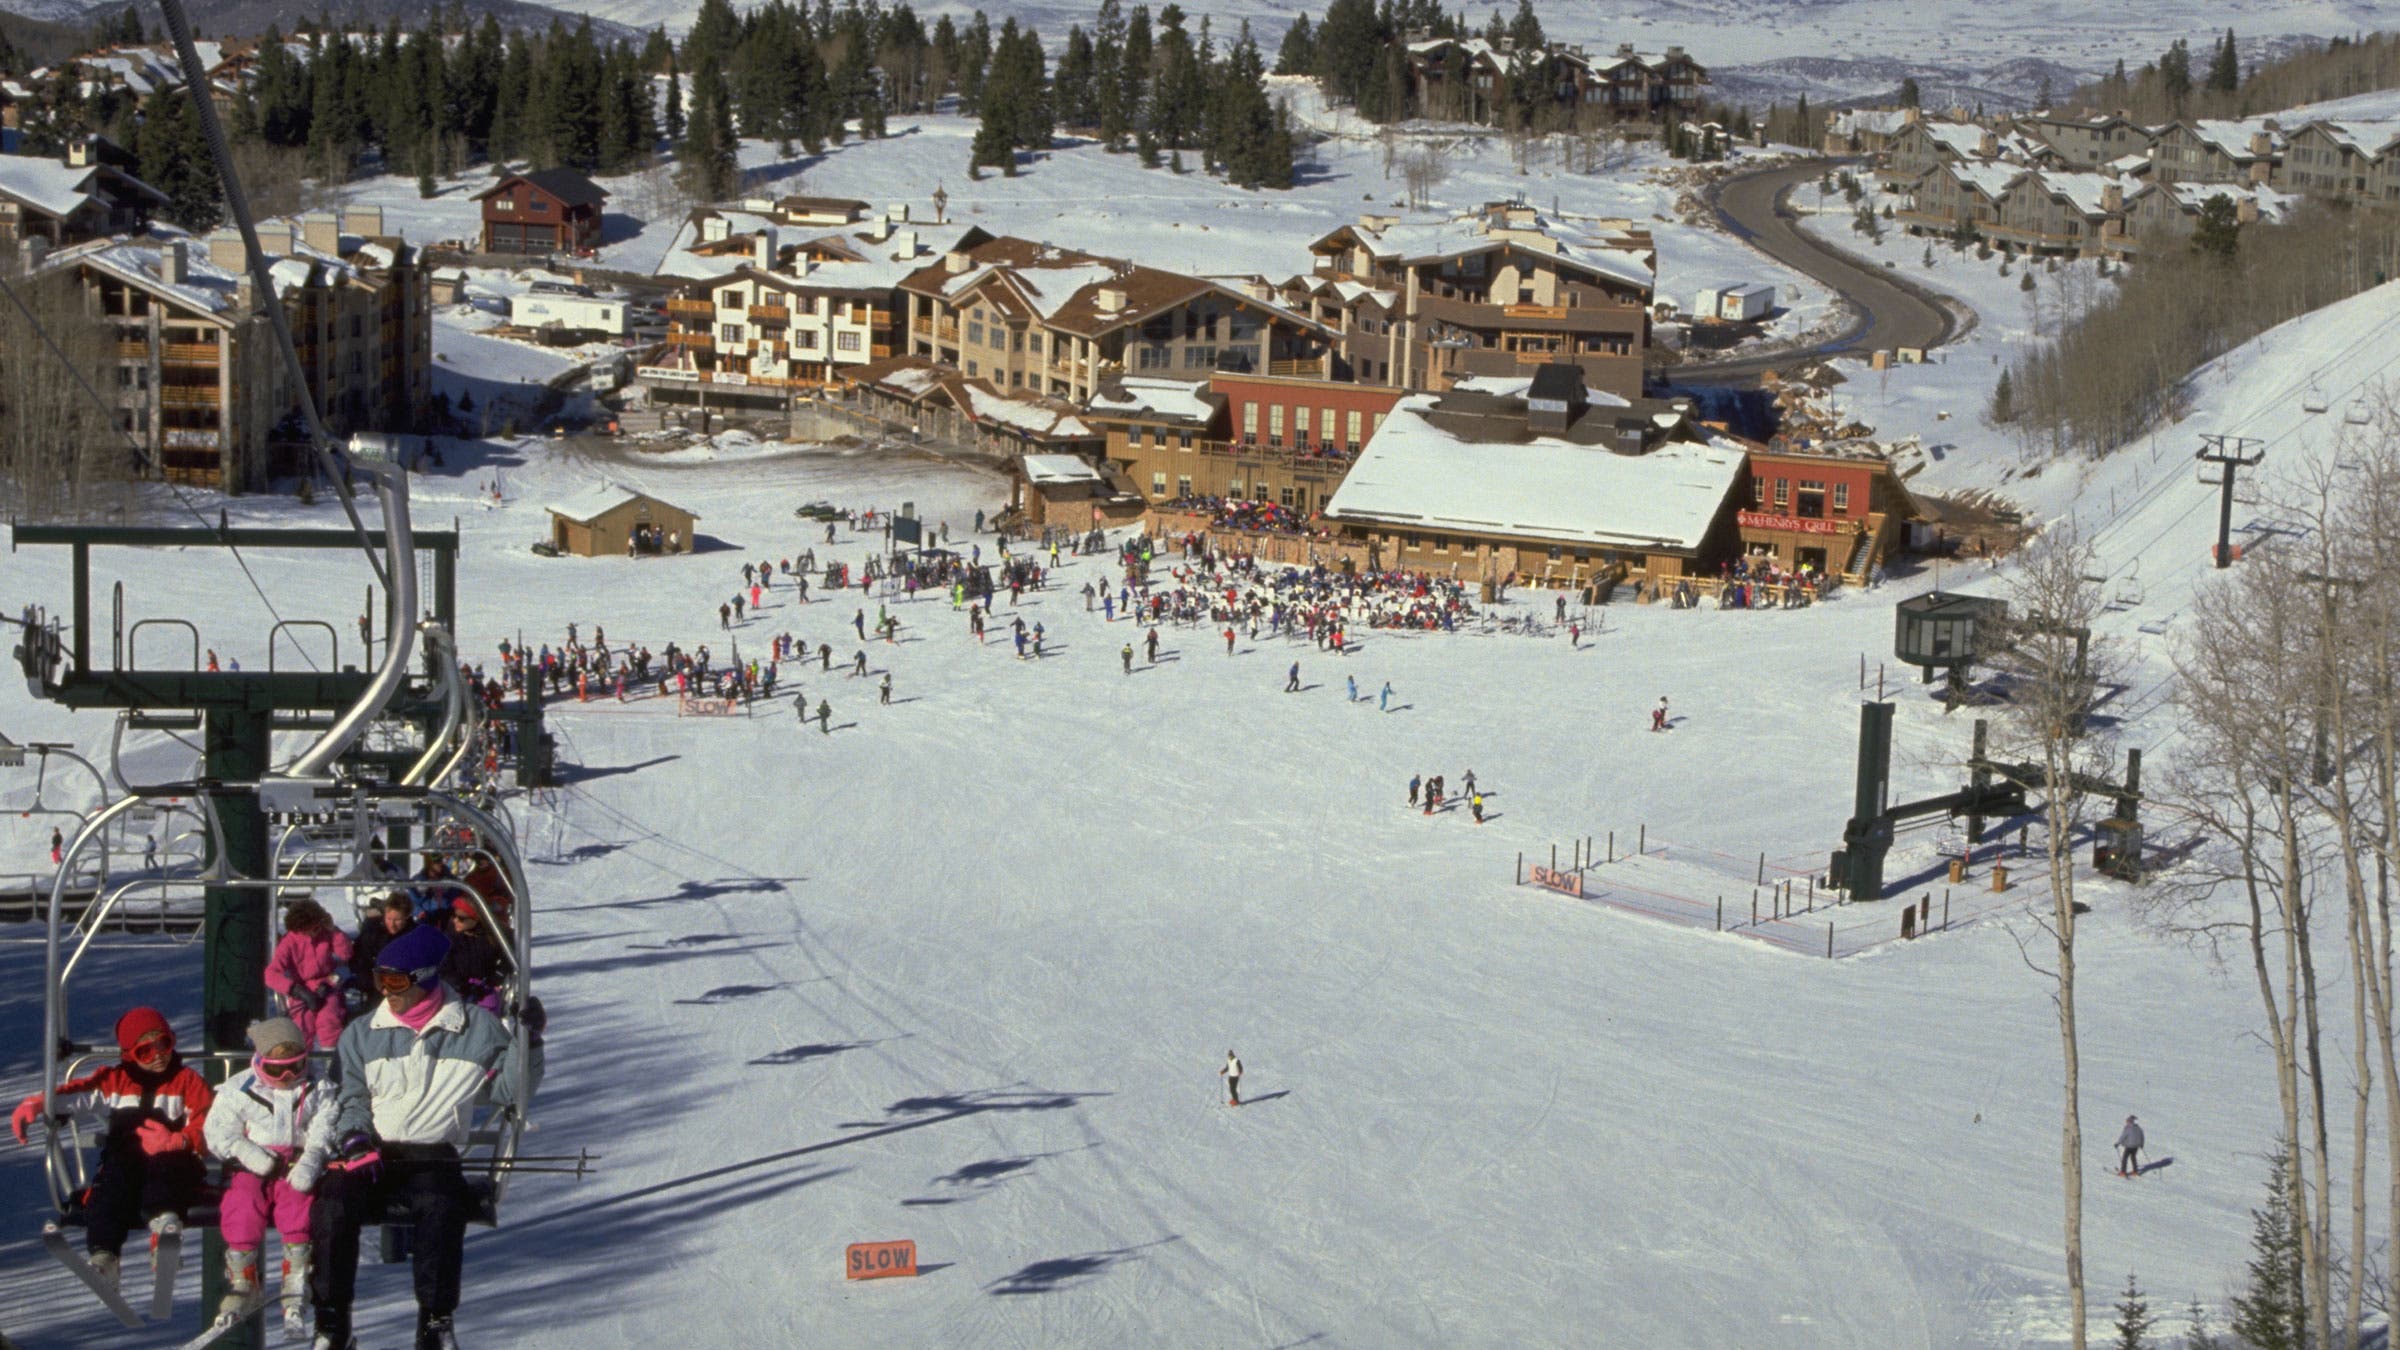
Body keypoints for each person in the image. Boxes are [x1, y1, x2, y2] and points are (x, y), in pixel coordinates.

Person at [308, 923, 543, 1350]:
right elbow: (350, 1095)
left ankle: (435, 1321)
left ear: (426, 978)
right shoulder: (362, 1033)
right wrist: (355, 1136)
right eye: (380, 980)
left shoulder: (475, 1028)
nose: (386, 991)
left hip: (433, 1154)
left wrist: (529, 1042)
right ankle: (331, 1322)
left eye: (396, 981)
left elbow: (511, 1091)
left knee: (440, 1206)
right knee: (332, 1203)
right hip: (371, 1152)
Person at [12, 1008, 213, 1291]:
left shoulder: (186, 1082)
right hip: (125, 1161)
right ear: (130, 1054)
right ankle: (104, 1255)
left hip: (173, 1159)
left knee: (166, 1174)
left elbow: (208, 1123)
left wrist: (180, 1140)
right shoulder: (115, 1081)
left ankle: (165, 1229)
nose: (158, 1056)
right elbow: (79, 1094)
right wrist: (38, 1103)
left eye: (164, 1044)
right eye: (145, 1051)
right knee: (107, 1193)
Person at [203, 1017, 330, 1336]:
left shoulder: (317, 1088)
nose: (287, 1078)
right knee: (242, 1202)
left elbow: (325, 1125)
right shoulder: (239, 1089)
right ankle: (243, 1278)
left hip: (295, 1162)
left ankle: (297, 1271)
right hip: (254, 1163)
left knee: (299, 1200)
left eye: (295, 1067)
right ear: (260, 1063)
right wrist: (248, 1153)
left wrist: (312, 1158)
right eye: (276, 1070)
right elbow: (218, 1131)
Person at [267, 900, 354, 1053]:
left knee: (329, 1019)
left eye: (318, 926)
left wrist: (334, 930)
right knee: (302, 1026)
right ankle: (302, 1061)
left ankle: (330, 1058)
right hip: (302, 990)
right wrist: (296, 990)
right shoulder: (289, 942)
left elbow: (346, 954)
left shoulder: (327, 934)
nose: (317, 931)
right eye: (313, 928)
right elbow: (271, 974)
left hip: (327, 985)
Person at [439, 898, 511, 1014]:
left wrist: (497, 975)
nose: (455, 920)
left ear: (476, 919)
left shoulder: (491, 937)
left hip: (483, 985)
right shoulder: (450, 937)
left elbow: (508, 955)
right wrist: (462, 986)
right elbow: (444, 968)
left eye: (461, 918)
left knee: (489, 1007)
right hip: (456, 987)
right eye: (454, 915)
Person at [351, 896, 415, 992]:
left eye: (397, 920)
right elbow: (360, 961)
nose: (392, 924)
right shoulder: (372, 930)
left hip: (405, 985)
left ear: (407, 917)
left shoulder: (414, 934)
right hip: (375, 985)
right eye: (389, 919)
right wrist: (376, 984)